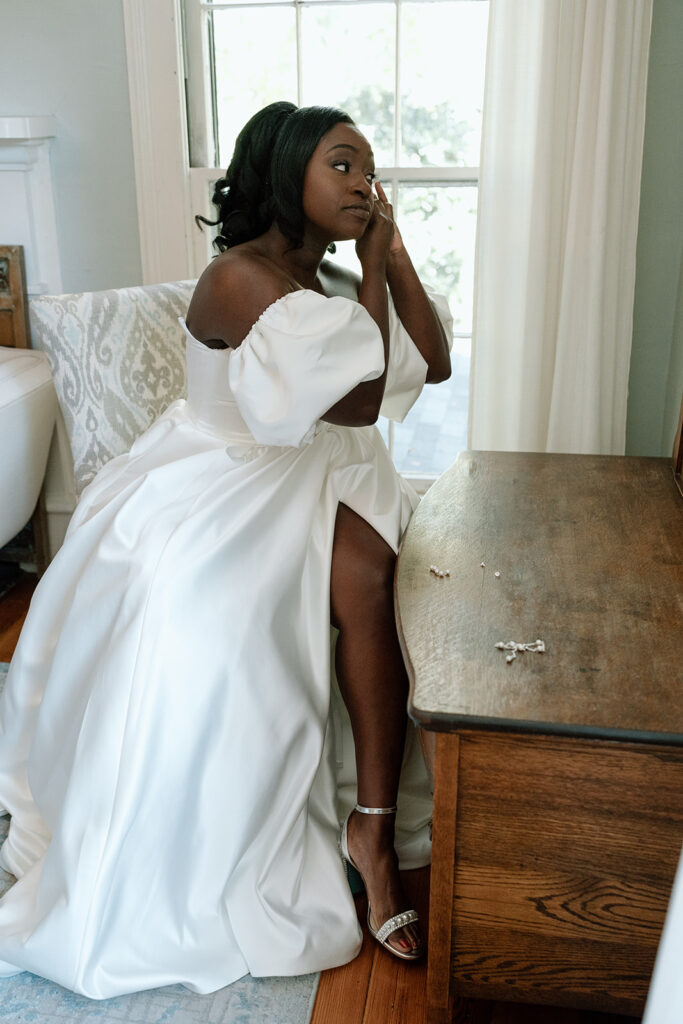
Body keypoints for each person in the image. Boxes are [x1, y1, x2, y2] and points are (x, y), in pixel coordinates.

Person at [0, 101, 453, 998]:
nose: (363, 183)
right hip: (225, 475)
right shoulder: (239, 279)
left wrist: (390, 257)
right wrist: (366, 271)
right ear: (289, 174)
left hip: (318, 464)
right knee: (224, 616)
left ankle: (371, 824)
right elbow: (357, 399)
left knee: (372, 581)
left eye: (369, 169)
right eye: (342, 165)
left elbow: (430, 365)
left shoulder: (323, 280)